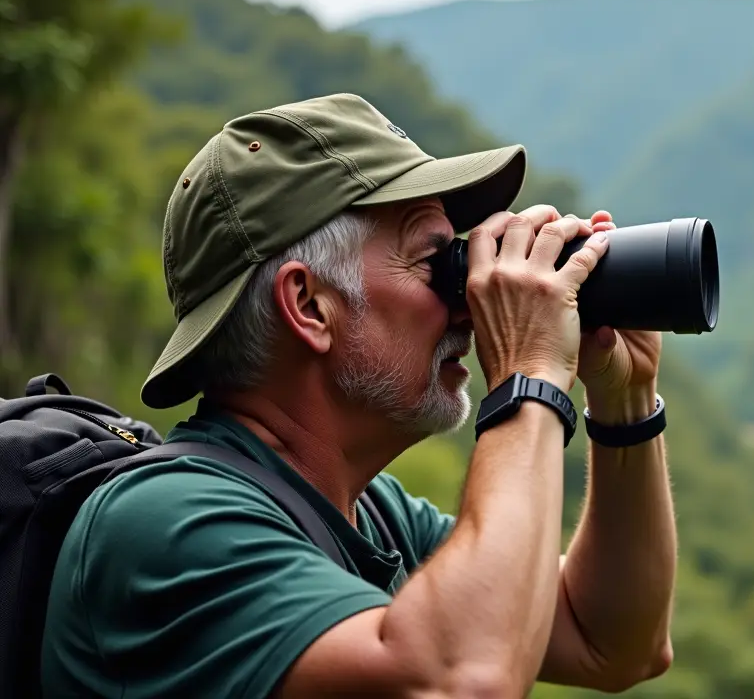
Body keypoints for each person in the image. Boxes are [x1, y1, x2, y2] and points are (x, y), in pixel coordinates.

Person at [39, 93, 678, 698]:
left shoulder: (370, 515)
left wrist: (625, 400)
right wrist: (528, 372)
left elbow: (610, 641)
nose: (469, 307)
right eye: (436, 264)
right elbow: (463, 681)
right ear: (308, 305)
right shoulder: (168, 522)